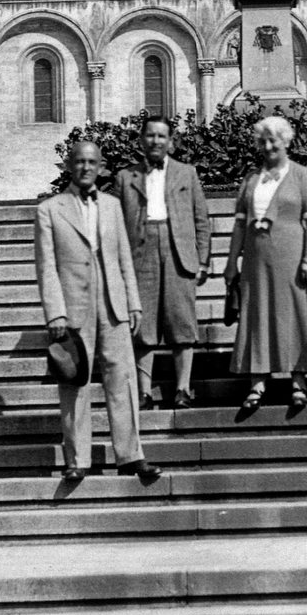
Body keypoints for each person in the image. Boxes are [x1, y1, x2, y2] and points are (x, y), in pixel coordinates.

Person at [34, 140, 161, 486]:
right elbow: (46, 268)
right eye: (79, 161)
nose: (86, 167)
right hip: (73, 310)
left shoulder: (112, 205)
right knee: (75, 383)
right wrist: (55, 313)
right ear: (69, 166)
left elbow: (124, 260)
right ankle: (77, 460)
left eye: (92, 162)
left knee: (123, 379)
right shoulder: (49, 209)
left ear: (101, 166)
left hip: (114, 305)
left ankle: (131, 455)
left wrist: (133, 302)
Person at [224, 117, 307, 413]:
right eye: (263, 141)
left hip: (292, 255)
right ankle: (257, 382)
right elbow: (240, 225)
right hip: (257, 258)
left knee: (296, 312)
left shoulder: (303, 175)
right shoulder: (251, 179)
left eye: (274, 140)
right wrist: (232, 262)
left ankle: (298, 382)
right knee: (258, 312)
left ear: (286, 141)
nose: (268, 146)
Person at [114, 116, 212, 410]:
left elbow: (201, 220)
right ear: (141, 140)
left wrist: (204, 260)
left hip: (177, 249)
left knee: (181, 322)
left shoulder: (187, 173)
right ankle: (143, 392)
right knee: (141, 325)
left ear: (171, 141)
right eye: (150, 136)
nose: (156, 141)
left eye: (161, 136)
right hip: (140, 252)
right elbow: (115, 226)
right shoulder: (124, 177)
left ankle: (183, 389)